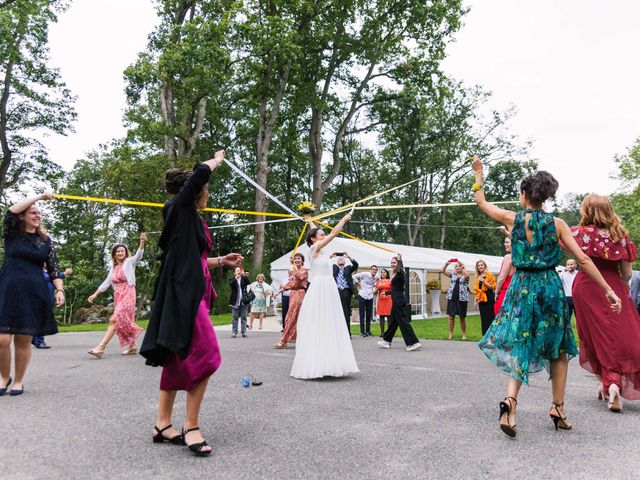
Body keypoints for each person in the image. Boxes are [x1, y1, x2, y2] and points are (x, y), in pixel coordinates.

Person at [471, 156, 621, 438]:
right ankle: (558, 409)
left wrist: (479, 176)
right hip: (549, 288)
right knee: (558, 349)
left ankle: (511, 402)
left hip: (521, 285)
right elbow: (583, 260)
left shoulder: (513, 219)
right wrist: (609, 289)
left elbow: (482, 203)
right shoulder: (558, 224)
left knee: (521, 344)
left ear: (526, 194)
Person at [140, 151, 243, 456]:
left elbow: (191, 259)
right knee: (208, 355)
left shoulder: (188, 218)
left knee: (176, 356)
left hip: (189, 290)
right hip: (182, 296)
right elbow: (200, 172)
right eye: (206, 190)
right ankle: (192, 426)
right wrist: (217, 160)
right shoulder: (179, 207)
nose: (207, 194)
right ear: (197, 192)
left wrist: (219, 261)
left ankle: (162, 422)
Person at [570, 195, 640, 412]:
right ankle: (612, 385)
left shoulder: (578, 234)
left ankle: (607, 383)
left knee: (593, 335)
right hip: (614, 285)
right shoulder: (621, 235)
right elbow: (627, 272)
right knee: (620, 336)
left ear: (587, 211)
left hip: (585, 287)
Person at [0, 193, 64, 396]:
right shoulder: (12, 234)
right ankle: (4, 377)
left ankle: (18, 380)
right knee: (2, 339)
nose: (37, 215)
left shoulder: (45, 241)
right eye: (33, 212)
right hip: (8, 289)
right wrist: (39, 197)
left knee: (23, 339)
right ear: (22, 216)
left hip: (33, 292)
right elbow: (9, 212)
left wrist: (60, 290)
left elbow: (54, 269)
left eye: (39, 213)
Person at [290, 214, 359, 379]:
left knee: (330, 322)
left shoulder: (319, 250)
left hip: (329, 288)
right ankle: (316, 364)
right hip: (320, 289)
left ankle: (330, 362)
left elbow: (316, 232)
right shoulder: (314, 249)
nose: (323, 235)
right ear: (314, 239)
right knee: (318, 322)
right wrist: (344, 219)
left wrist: (309, 221)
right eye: (321, 234)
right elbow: (334, 233)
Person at [87, 233, 147, 357]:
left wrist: (142, 242)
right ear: (114, 254)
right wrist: (95, 294)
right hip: (118, 296)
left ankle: (101, 348)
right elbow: (106, 282)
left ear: (125, 252)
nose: (120, 253)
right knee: (125, 320)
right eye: (118, 251)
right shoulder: (113, 268)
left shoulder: (130, 262)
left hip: (129, 294)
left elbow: (139, 255)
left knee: (114, 320)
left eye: (122, 251)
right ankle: (132, 346)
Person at [377, 254, 422, 351]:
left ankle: (413, 342)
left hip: (399, 300)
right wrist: (387, 292)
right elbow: (396, 289)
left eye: (394, 262)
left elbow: (399, 272)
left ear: (398, 264)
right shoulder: (395, 274)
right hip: (396, 299)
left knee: (403, 321)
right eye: (391, 263)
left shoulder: (400, 272)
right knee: (393, 321)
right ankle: (386, 341)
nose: (392, 264)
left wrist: (400, 260)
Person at [273, 253, 308, 349]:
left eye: (299, 259)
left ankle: (283, 341)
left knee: (293, 317)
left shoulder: (304, 270)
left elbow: (300, 278)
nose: (296, 260)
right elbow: (289, 284)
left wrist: (293, 267)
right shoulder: (294, 271)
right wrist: (278, 292)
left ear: (302, 260)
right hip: (293, 294)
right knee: (290, 317)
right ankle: (287, 340)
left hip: (299, 294)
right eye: (295, 258)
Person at [32, 266, 73, 349]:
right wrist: (64, 274)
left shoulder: (46, 271)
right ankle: (39, 341)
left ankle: (34, 338)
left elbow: (53, 277)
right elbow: (47, 278)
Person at [332, 252, 359, 337]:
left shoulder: (348, 268)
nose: (341, 259)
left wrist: (349, 256)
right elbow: (325, 266)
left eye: (342, 259)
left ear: (345, 262)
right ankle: (337, 333)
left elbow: (356, 264)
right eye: (339, 259)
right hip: (337, 291)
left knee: (346, 311)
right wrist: (331, 257)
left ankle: (347, 333)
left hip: (346, 291)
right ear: (336, 262)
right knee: (336, 311)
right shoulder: (334, 268)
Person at [441, 261, 470, 340]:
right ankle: (451, 333)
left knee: (462, 317)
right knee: (451, 317)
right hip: (452, 298)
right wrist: (446, 264)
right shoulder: (452, 274)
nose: (458, 267)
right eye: (456, 266)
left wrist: (463, 266)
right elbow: (442, 271)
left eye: (459, 266)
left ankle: (464, 334)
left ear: (462, 267)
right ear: (454, 268)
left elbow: (467, 275)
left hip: (462, 299)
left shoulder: (465, 275)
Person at [354, 265, 379, 337]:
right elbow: (354, 276)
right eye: (373, 269)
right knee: (362, 315)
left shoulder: (377, 277)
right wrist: (358, 283)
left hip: (370, 296)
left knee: (369, 315)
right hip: (362, 295)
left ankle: (368, 331)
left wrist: (375, 287)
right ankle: (362, 332)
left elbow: (379, 282)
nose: (374, 271)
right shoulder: (364, 274)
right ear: (370, 270)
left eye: (375, 270)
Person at [494, 235, 515, 315]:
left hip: (506, 292)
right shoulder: (521, 258)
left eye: (507, 242)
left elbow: (502, 278)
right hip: (517, 292)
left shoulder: (508, 257)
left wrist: (496, 292)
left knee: (501, 320)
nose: (504, 244)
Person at [474, 260, 496, 335]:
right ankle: (485, 336)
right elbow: (477, 290)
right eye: (478, 265)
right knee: (483, 318)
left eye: (481, 265)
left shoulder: (489, 275)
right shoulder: (477, 277)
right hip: (481, 298)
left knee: (490, 316)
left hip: (489, 296)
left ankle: (492, 335)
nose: (480, 266)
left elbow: (492, 287)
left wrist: (484, 282)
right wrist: (475, 300)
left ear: (485, 266)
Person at [228, 267, 249, 338]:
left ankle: (244, 332)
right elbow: (231, 284)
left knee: (244, 317)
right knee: (235, 317)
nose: (238, 272)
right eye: (237, 271)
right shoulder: (232, 279)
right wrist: (236, 278)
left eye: (239, 271)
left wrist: (244, 275)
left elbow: (248, 283)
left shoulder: (243, 279)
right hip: (235, 301)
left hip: (244, 301)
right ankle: (234, 332)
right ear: (234, 273)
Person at [374, 268, 392, 337]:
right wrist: (378, 289)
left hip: (388, 299)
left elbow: (392, 290)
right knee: (381, 316)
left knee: (388, 316)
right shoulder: (378, 281)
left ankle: (389, 333)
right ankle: (382, 332)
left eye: (384, 272)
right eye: (381, 272)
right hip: (381, 300)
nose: (382, 273)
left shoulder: (390, 281)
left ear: (387, 274)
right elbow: (375, 293)